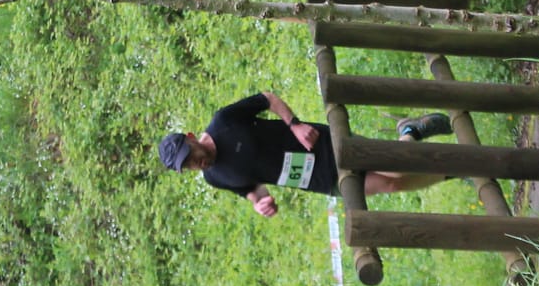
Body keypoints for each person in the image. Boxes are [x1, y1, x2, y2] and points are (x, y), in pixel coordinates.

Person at [157, 89, 452, 218]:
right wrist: (259, 202)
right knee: (393, 183)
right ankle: (452, 170)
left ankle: (411, 132)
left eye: (192, 155)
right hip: (320, 180)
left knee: (396, 168)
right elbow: (248, 187)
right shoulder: (214, 177)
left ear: (192, 137)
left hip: (322, 144)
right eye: (190, 166)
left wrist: (295, 124)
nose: (197, 163)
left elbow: (267, 99)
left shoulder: (224, 121)